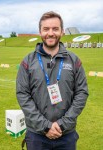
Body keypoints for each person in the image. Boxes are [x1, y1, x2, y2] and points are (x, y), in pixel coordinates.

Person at [16, 11, 88, 150]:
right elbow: (22, 94)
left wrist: (62, 124)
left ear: (62, 31)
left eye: (55, 29)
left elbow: (82, 93)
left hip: (66, 134)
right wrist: (45, 126)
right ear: (40, 32)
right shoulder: (28, 61)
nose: (50, 33)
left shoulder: (74, 61)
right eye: (46, 29)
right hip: (37, 135)